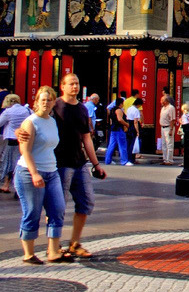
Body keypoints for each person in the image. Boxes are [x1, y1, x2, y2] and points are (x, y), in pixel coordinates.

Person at [14, 86, 71, 264]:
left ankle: (53, 251)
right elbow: (25, 150)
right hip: (29, 172)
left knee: (58, 209)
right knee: (32, 211)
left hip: (51, 171)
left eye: (49, 100)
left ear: (54, 102)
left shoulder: (52, 121)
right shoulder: (31, 122)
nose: (46, 103)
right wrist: (34, 173)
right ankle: (29, 254)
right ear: (36, 101)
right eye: (43, 99)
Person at [52, 70, 105, 258]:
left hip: (79, 162)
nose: (74, 86)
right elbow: (37, 123)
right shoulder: (55, 105)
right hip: (59, 163)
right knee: (58, 206)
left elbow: (86, 138)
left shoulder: (83, 109)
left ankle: (75, 243)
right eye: (71, 83)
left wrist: (96, 164)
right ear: (62, 86)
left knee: (86, 202)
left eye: (77, 83)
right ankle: (54, 246)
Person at [1, 94, 31, 194]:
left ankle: (7, 185)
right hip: (25, 141)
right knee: (21, 163)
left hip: (11, 140)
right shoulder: (27, 110)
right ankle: (18, 188)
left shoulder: (8, 112)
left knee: (9, 164)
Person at [104, 97, 132, 166]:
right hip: (119, 129)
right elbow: (120, 119)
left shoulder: (112, 110)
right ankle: (124, 161)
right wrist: (127, 124)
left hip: (113, 129)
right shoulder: (119, 110)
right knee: (122, 145)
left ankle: (108, 160)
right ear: (121, 103)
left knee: (111, 145)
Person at [159, 93, 177, 165]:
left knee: (169, 144)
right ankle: (165, 159)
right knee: (163, 144)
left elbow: (172, 119)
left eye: (162, 100)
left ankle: (169, 160)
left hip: (168, 127)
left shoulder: (171, 108)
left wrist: (171, 129)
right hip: (163, 127)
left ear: (166, 101)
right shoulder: (163, 108)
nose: (161, 102)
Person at [125, 97, 144, 162]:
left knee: (128, 143)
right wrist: (137, 131)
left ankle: (128, 158)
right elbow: (135, 122)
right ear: (138, 104)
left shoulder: (129, 109)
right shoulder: (136, 110)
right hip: (133, 126)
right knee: (133, 144)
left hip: (128, 125)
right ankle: (132, 159)